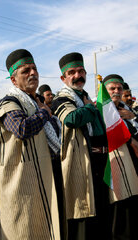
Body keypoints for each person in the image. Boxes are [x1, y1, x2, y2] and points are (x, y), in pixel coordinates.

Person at [0, 49, 61, 239]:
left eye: (34, 69)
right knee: (25, 231)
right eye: (26, 71)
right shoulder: (8, 103)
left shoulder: (36, 102)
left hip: (44, 180)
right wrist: (45, 113)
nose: (33, 73)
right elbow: (22, 129)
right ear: (13, 80)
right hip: (22, 186)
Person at [51, 52, 111, 240]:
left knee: (101, 212)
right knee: (82, 215)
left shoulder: (85, 97)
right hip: (80, 163)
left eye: (81, 71)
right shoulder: (61, 98)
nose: (78, 76)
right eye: (72, 72)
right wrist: (91, 108)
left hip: (99, 162)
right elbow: (71, 119)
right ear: (63, 78)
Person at [102, 74, 138, 239]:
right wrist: (131, 139)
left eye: (119, 88)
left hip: (131, 159)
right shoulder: (102, 108)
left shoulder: (126, 108)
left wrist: (133, 117)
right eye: (112, 89)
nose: (116, 92)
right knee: (118, 202)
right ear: (105, 90)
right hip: (113, 160)